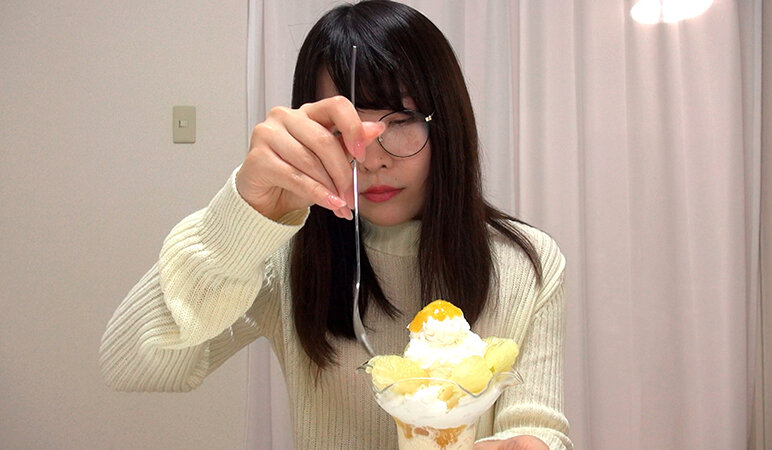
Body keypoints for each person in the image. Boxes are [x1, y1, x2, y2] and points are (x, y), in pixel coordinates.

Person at [99, 1, 571, 448]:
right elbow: (135, 364)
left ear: (446, 124)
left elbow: (533, 423)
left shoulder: (524, 261)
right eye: (342, 132)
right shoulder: (284, 257)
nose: (372, 160)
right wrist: (244, 215)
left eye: (401, 120)